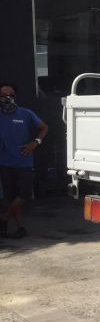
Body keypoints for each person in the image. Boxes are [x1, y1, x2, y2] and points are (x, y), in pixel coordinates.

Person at [0, 82, 48, 238]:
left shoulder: (25, 114)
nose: (7, 98)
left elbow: (44, 127)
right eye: (3, 95)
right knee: (11, 197)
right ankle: (19, 227)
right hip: (5, 162)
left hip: (24, 161)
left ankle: (4, 217)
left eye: (10, 95)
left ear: (15, 96)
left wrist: (36, 142)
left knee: (25, 194)